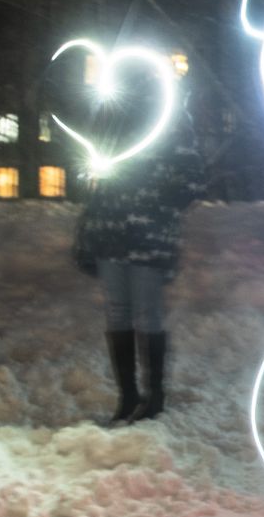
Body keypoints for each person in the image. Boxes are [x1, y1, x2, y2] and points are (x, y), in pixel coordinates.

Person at [73, 88, 207, 424]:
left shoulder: (172, 121)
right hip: (108, 231)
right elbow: (94, 181)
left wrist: (154, 197)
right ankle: (128, 396)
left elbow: (192, 180)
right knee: (118, 313)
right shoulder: (110, 119)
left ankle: (155, 396)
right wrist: (88, 230)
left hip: (148, 233)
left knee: (148, 314)